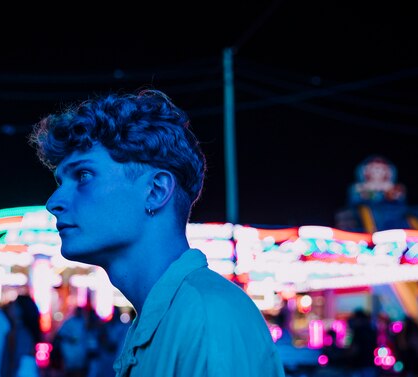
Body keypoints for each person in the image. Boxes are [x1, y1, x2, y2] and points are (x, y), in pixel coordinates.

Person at [29, 89, 285, 376]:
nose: (54, 202)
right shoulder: (161, 319)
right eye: (60, 181)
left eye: (84, 175)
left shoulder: (207, 315)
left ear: (156, 190)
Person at [3, 294, 42, 377]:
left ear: (20, 310)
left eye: (14, 304)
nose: (10, 306)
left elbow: (16, 360)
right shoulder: (24, 332)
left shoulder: (21, 334)